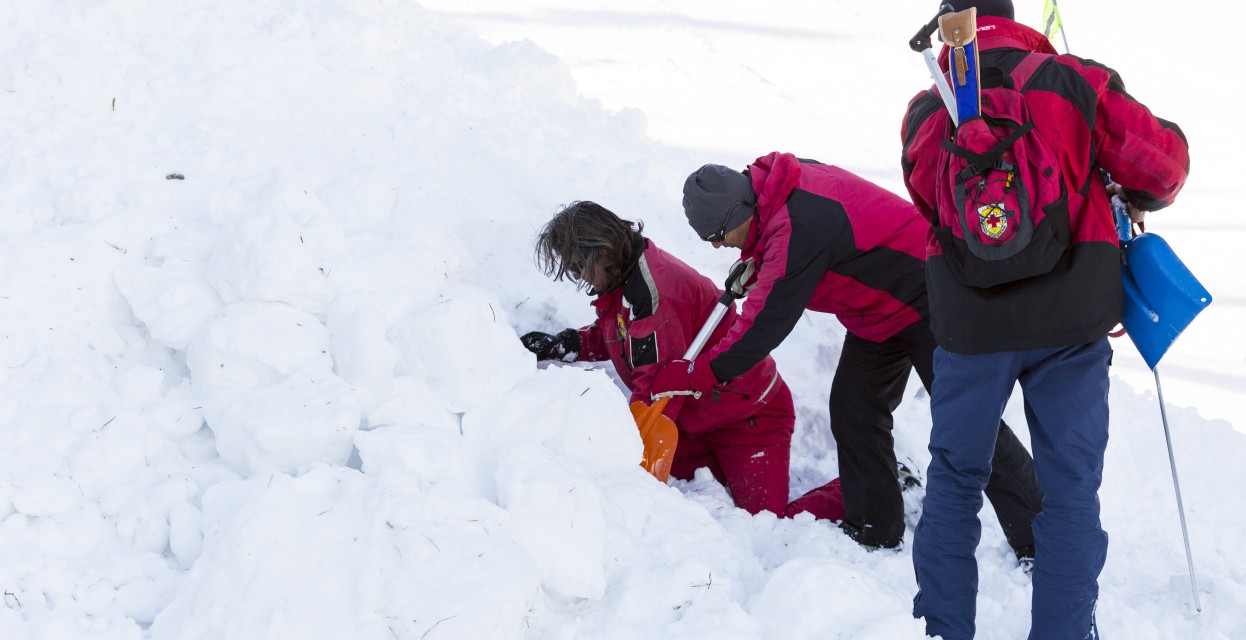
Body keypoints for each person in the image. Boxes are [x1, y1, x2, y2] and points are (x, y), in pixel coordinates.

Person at [899, 1, 1191, 638]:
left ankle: (947, 630)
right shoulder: (1071, 80)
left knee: (953, 481)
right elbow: (1165, 168)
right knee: (1070, 493)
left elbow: (928, 202)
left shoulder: (926, 113)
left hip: (970, 328)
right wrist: (1110, 185)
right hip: (1072, 318)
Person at [653, 152, 1043, 555]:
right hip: (880, 311)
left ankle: (1040, 541)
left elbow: (759, 330)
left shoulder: (798, 227)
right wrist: (757, 257)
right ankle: (876, 526)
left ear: (740, 211)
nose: (716, 245)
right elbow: (799, 243)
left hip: (933, 298)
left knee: (971, 425)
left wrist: (693, 376)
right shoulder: (773, 189)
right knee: (855, 408)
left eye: (717, 234)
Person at [521, 200, 844, 521]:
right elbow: (623, 333)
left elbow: (657, 387)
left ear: (602, 253)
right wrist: (568, 344)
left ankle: (861, 489)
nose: (579, 277)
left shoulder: (655, 293)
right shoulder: (627, 273)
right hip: (695, 422)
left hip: (748, 419)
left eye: (579, 268)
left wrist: (629, 477)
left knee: (768, 522)